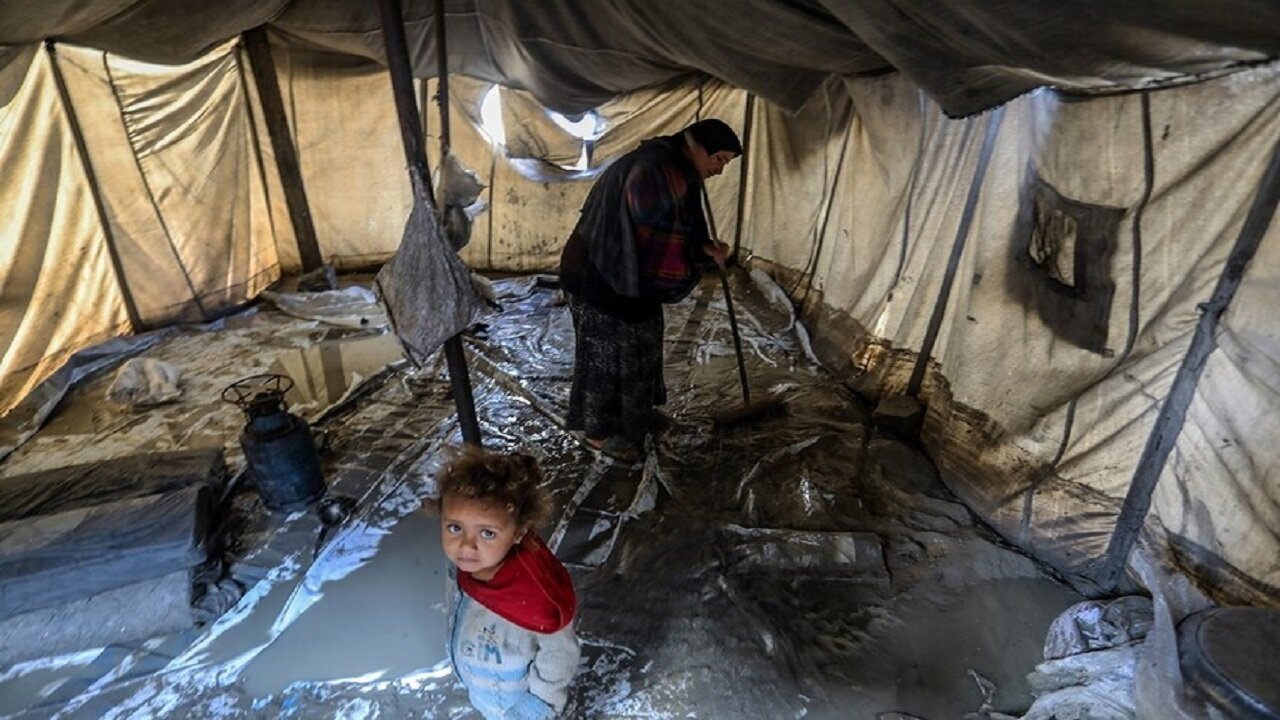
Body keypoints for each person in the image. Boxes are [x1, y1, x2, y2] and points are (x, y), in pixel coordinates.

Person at [559, 118, 742, 463]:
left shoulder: (676, 168)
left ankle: (635, 415)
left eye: (726, 163)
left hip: (624, 272)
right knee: (605, 356)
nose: (720, 170)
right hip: (598, 274)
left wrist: (704, 247)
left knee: (640, 343)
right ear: (697, 148)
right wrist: (697, 259)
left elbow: (681, 229)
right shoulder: (657, 173)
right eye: (719, 159)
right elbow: (659, 244)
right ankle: (598, 433)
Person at [437, 448, 580, 719]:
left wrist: (538, 705)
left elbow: (560, 653)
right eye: (455, 528)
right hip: (488, 693)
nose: (466, 545)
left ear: (519, 533)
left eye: (487, 533)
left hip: (522, 708)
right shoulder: (469, 568)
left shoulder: (539, 598)